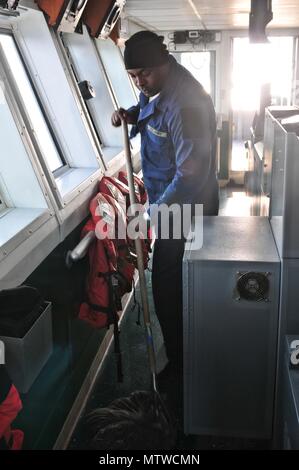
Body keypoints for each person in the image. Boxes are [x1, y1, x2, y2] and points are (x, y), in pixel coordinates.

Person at [111, 31, 219, 397]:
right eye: (134, 76)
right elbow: (146, 108)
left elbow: (191, 174)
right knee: (170, 285)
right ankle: (181, 351)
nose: (140, 82)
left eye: (145, 74)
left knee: (170, 288)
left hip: (186, 206)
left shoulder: (187, 103)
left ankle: (182, 366)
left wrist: (155, 212)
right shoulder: (157, 88)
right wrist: (129, 114)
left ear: (164, 63)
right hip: (167, 202)